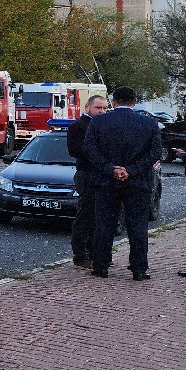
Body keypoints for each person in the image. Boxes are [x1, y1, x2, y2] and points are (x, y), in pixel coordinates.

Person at [82, 86, 163, 281]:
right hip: (137, 182)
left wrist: (111, 169)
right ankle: (139, 269)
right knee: (138, 226)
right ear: (134, 102)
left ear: (114, 102)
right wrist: (131, 170)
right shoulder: (149, 123)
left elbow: (89, 149)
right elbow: (155, 153)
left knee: (104, 224)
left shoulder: (98, 122)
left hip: (105, 181)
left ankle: (101, 266)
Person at [66, 94, 108, 267]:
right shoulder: (79, 126)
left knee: (99, 216)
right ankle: (80, 254)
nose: (102, 111)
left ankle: (94, 252)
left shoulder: (104, 125)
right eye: (99, 108)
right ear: (87, 107)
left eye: (105, 108)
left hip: (101, 174)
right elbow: (75, 150)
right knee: (86, 213)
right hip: (87, 174)